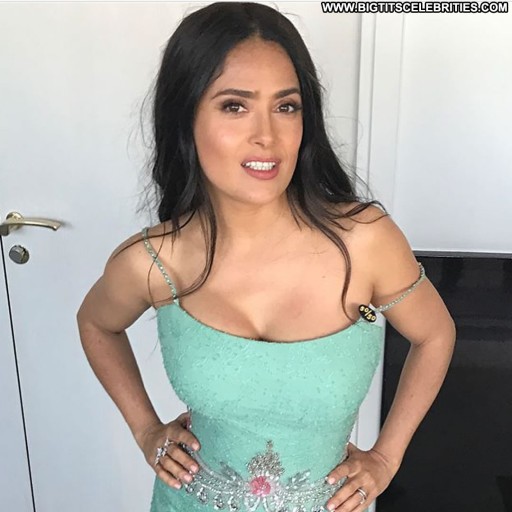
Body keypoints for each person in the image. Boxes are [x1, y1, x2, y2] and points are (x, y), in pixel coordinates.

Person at [76, 2, 456, 511]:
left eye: (286, 106)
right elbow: (96, 324)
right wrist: (146, 429)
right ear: (185, 117)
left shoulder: (363, 241)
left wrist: (386, 458)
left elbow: (435, 334)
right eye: (234, 106)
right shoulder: (155, 262)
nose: (267, 137)